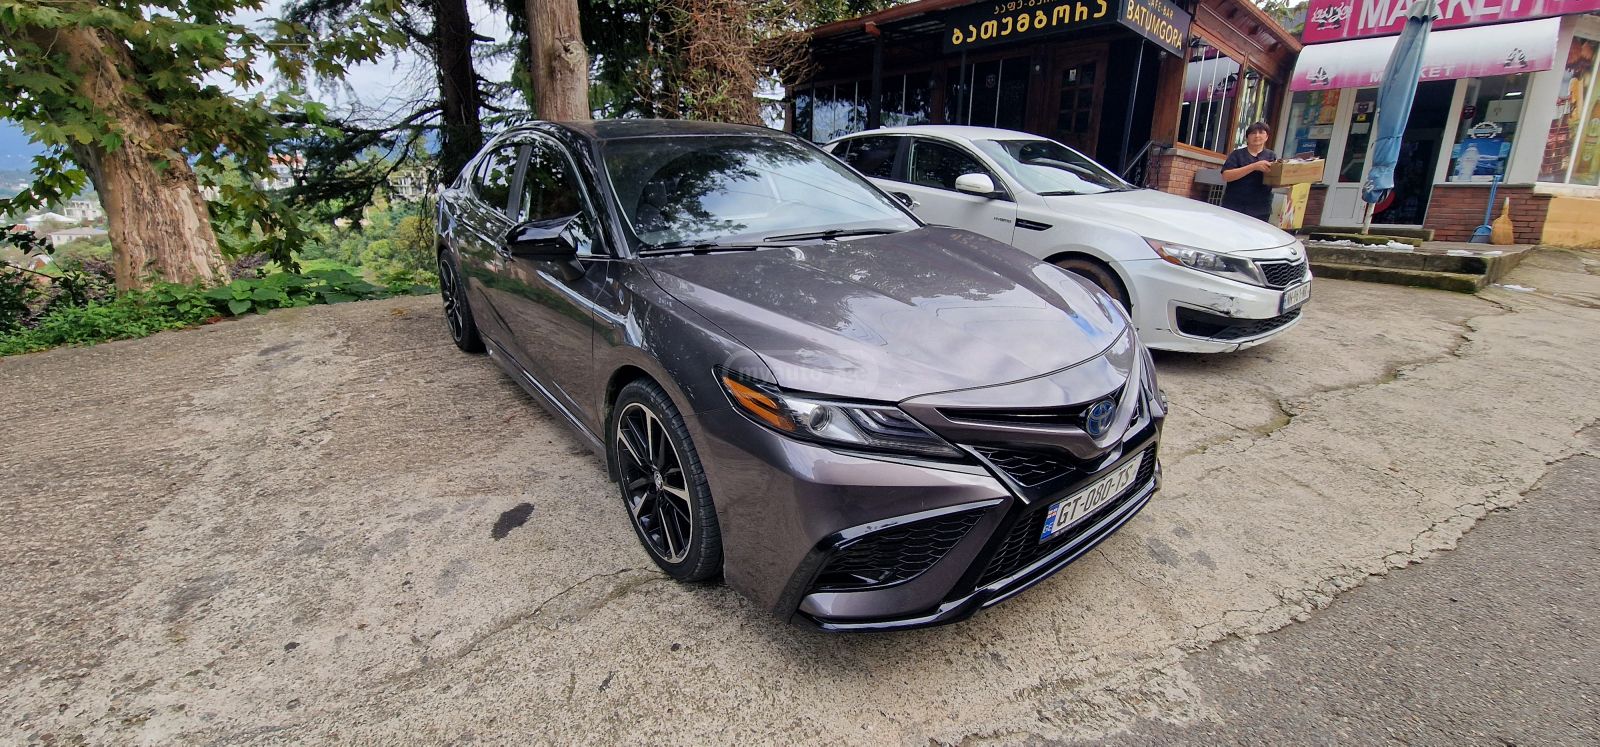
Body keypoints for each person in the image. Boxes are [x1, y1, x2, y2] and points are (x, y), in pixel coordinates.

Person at [1220, 121, 1277, 221]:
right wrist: (1253, 166)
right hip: (1234, 207)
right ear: (1247, 137)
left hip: (1260, 209)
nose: (1257, 136)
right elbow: (1226, 176)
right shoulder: (1237, 154)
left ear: (1267, 137)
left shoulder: (1271, 156)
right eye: (1253, 133)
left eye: (1261, 133)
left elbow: (1274, 181)